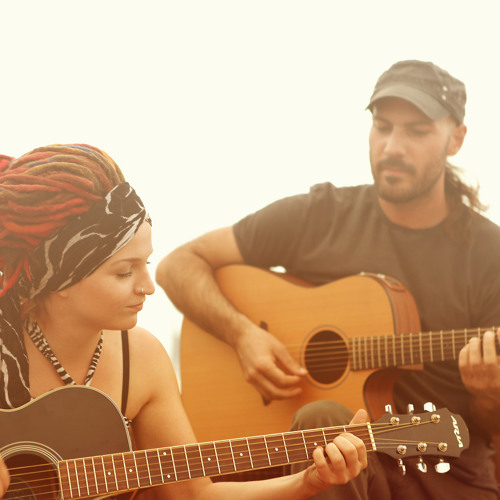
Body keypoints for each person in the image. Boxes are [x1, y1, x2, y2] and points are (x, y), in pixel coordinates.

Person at [156, 60, 500, 499]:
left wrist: (491, 396)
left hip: (445, 477)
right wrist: (243, 335)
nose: (393, 147)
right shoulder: (322, 216)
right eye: (382, 127)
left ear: (456, 138)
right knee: (324, 421)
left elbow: (490, 424)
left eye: (417, 132)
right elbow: (177, 265)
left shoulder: (489, 255)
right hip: (326, 472)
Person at [0, 144, 368, 499]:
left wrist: (306, 483)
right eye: (125, 272)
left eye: (145, 263)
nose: (148, 287)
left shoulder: (141, 359)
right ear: (60, 279)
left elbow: (194, 493)